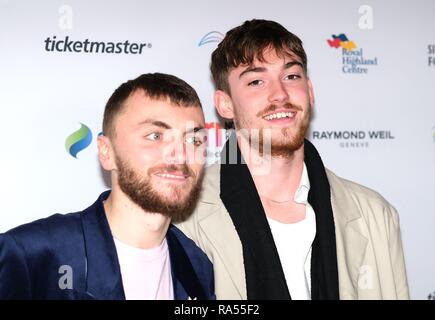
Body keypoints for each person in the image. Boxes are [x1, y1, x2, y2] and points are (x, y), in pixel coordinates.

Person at [176, 19, 409, 300]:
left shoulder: (376, 215)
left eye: (291, 76)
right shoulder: (181, 216)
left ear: (309, 91)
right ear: (225, 104)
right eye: (256, 81)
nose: (280, 95)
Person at [0, 73, 215, 300]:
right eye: (155, 136)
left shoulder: (195, 264)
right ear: (106, 152)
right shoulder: (32, 257)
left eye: (194, 140)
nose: (180, 156)